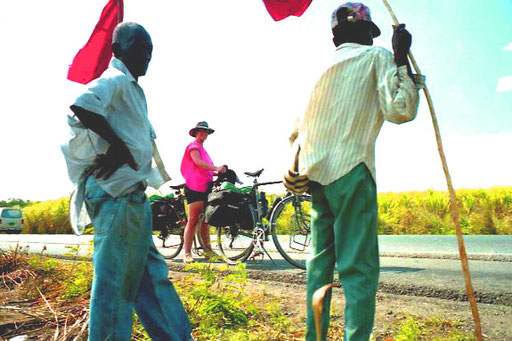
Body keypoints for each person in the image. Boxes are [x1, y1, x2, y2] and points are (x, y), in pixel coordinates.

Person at [288, 3, 421, 340]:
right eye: (369, 31)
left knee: (319, 268)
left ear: (335, 35)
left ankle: (314, 337)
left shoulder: (318, 69)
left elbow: (296, 131)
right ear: (363, 32)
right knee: (358, 269)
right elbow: (400, 109)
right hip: (353, 171)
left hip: (316, 178)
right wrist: (400, 58)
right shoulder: (375, 57)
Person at [61, 22, 191, 340]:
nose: (146, 56)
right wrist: (117, 145)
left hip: (130, 196)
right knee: (116, 281)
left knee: (151, 279)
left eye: (150, 50)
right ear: (119, 50)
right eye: (139, 48)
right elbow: (82, 104)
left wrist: (123, 145)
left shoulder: (131, 87)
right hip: (116, 194)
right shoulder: (115, 79)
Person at [180, 121, 226, 264]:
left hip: (205, 187)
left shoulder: (203, 149)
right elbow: (197, 162)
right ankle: (187, 253)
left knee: (205, 221)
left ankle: (208, 251)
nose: (203, 133)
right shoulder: (193, 147)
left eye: (205, 132)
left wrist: (217, 173)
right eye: (201, 131)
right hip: (194, 186)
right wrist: (216, 168)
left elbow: (206, 168)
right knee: (193, 220)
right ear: (195, 132)